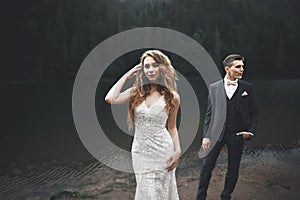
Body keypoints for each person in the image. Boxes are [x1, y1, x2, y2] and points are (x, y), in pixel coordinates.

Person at [105, 50, 181, 200]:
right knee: (146, 192)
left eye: (155, 65)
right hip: (140, 152)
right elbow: (110, 98)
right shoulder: (136, 92)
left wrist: (177, 150)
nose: (151, 70)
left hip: (162, 151)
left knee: (159, 193)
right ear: (142, 70)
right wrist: (127, 75)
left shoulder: (172, 97)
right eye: (146, 66)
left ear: (162, 68)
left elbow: (172, 127)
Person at [196, 54, 258, 200]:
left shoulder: (247, 88)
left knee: (233, 169)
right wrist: (206, 136)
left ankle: (226, 196)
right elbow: (209, 115)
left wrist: (250, 131)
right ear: (227, 69)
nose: (242, 69)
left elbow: (254, 113)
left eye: (242, 67)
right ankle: (200, 197)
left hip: (237, 134)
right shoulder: (214, 87)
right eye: (238, 66)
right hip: (215, 134)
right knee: (206, 167)